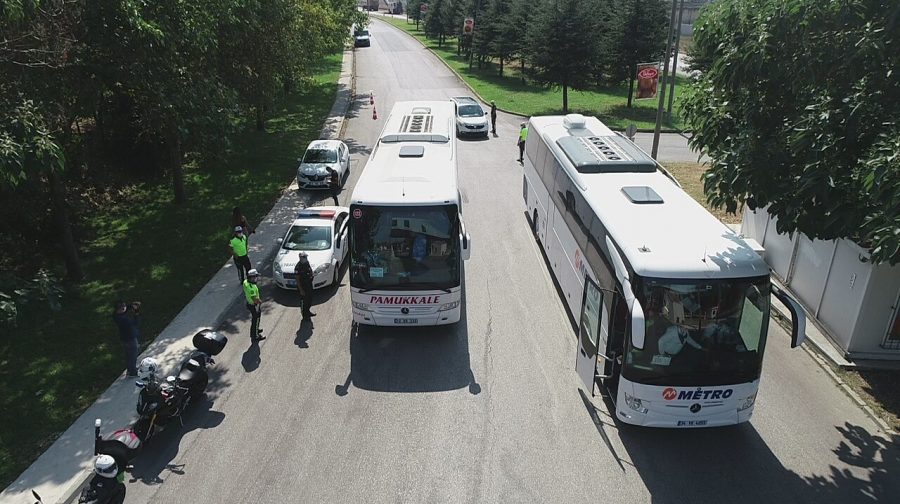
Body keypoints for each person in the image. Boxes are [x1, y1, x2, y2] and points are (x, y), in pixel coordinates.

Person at [112, 301, 141, 377]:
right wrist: (136, 313)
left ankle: (130, 370)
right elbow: (135, 323)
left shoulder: (116, 315)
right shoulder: (124, 320)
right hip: (130, 337)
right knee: (133, 354)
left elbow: (125, 309)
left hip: (124, 338)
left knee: (128, 355)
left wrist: (131, 306)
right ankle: (133, 372)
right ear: (121, 309)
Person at [243, 269, 265, 341]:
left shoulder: (245, 282)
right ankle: (255, 336)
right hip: (254, 305)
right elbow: (254, 299)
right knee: (256, 319)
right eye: (255, 276)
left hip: (249, 303)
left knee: (254, 319)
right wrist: (260, 302)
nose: (256, 278)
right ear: (251, 277)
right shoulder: (251, 288)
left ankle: (255, 330)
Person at [294, 252, 316, 319]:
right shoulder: (298, 267)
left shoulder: (306, 263)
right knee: (304, 302)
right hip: (303, 287)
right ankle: (305, 316)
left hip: (309, 285)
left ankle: (308, 312)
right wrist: (301, 290)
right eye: (304, 257)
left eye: (306, 257)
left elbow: (310, 270)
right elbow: (297, 279)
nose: (305, 258)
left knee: (309, 299)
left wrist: (312, 274)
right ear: (300, 258)